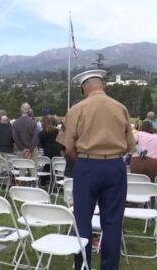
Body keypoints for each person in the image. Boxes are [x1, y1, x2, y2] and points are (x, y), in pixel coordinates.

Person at [57, 69, 135, 270]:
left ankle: (83, 265)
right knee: (113, 222)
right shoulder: (121, 108)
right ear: (104, 86)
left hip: (87, 166)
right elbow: (129, 145)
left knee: (82, 220)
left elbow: (67, 147)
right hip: (115, 166)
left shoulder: (77, 109)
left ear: (84, 88)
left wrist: (83, 159)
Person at [38, 115, 63, 185]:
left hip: (47, 153)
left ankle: (43, 180)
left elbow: (42, 144)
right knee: (55, 168)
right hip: (57, 153)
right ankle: (54, 182)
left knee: (47, 166)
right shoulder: (57, 131)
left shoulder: (41, 133)